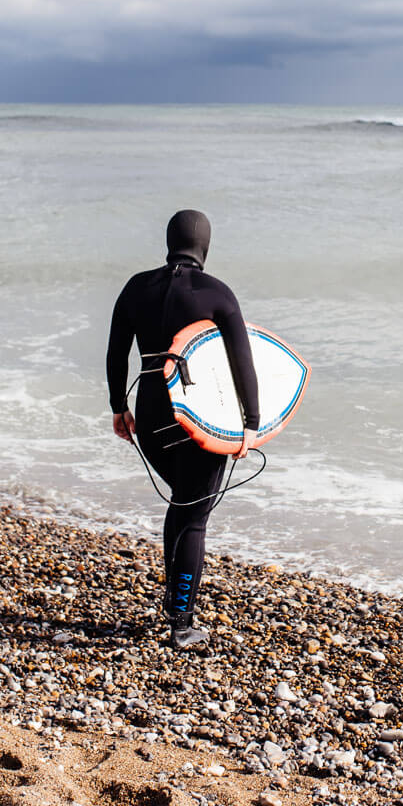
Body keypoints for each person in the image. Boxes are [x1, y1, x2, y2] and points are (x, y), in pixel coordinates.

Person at [106, 210, 259, 649]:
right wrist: (250, 423)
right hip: (196, 415)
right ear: (205, 246)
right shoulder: (217, 294)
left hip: (151, 414)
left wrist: (119, 407)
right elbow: (242, 362)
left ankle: (175, 602)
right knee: (194, 514)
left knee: (183, 502)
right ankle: (182, 623)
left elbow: (117, 352)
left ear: (169, 240)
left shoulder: (136, 287)